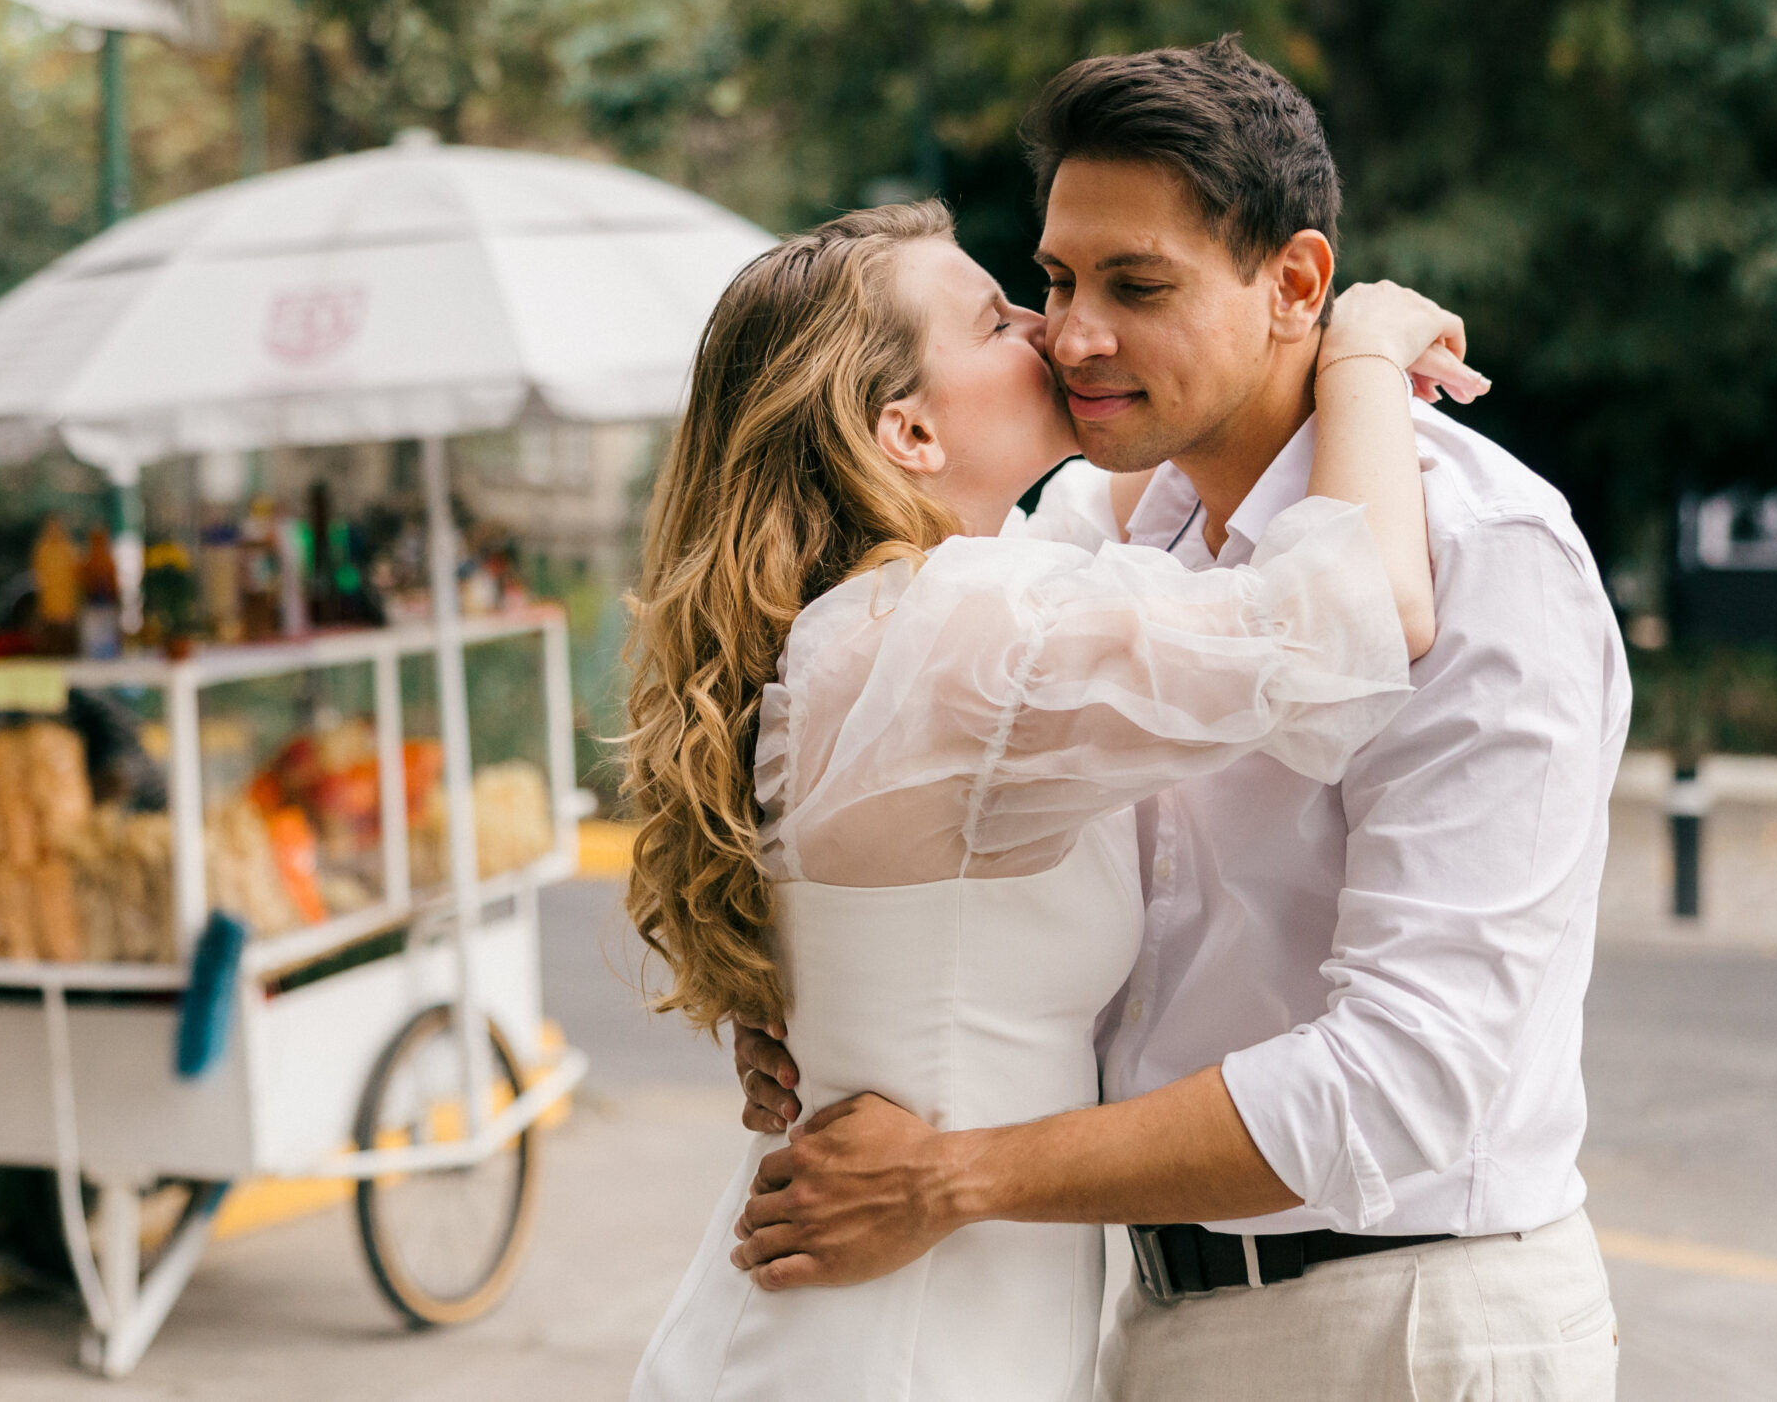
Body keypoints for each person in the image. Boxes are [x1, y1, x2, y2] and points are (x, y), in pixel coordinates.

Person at [726, 38, 1630, 1401]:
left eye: (1135, 285)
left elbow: (1412, 1076)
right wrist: (840, 1007)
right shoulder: (1095, 528)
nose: (1073, 334)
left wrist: (960, 1172)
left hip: (1407, 1319)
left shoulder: (1479, 547)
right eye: (1053, 282)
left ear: (1297, 285)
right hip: (1138, 1317)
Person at [624, 196, 1480, 1402]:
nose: (1049, 328)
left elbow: (1133, 506)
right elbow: (1363, 615)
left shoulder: (903, 618)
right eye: (994, 319)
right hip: (894, 1347)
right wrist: (1359, 354)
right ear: (908, 430)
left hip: (911, 1318)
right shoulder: (952, 633)